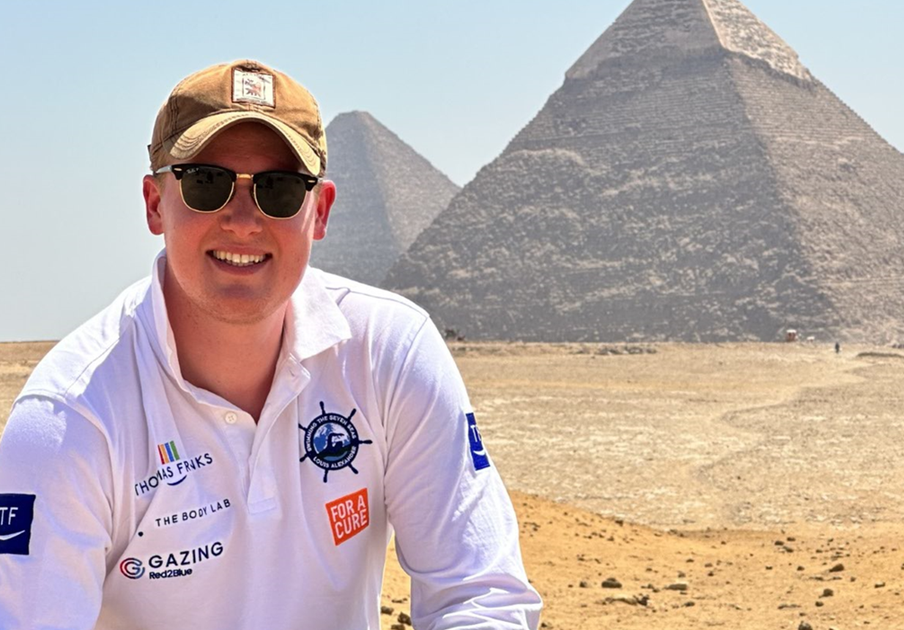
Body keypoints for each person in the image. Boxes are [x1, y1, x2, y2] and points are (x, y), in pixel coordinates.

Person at [0, 60, 541, 629]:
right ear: (155, 203)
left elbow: (480, 594)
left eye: (278, 190)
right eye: (205, 182)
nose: (242, 220)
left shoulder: (388, 353)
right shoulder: (72, 416)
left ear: (320, 211)